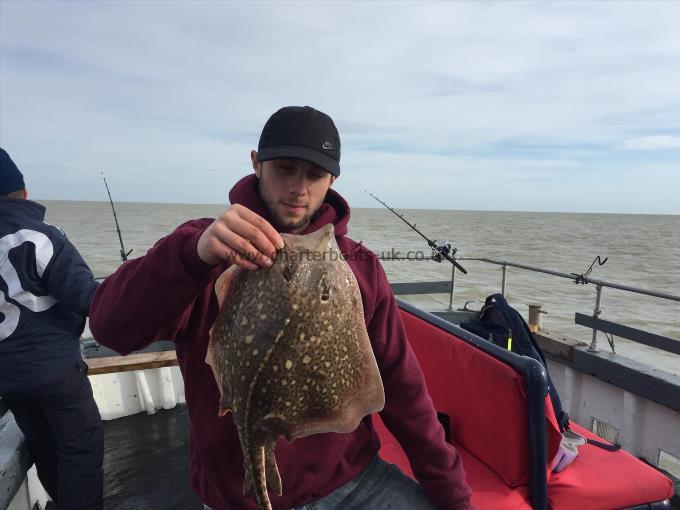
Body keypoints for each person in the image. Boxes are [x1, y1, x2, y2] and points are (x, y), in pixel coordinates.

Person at [89, 106, 473, 510]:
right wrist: (191, 256)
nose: (298, 188)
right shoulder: (203, 248)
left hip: (349, 479)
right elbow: (109, 328)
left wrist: (454, 496)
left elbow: (402, 386)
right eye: (285, 169)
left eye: (314, 175)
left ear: (333, 180)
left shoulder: (358, 264)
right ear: (256, 164)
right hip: (239, 496)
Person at [0, 148, 104, 509]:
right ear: (24, 193)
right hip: (57, 373)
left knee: (45, 447)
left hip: (8, 381)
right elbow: (90, 299)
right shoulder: (41, 237)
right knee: (81, 449)